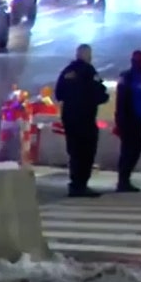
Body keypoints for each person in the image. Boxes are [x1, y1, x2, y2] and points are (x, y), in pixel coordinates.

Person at [54, 44, 109, 197]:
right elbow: (100, 93)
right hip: (85, 118)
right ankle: (81, 184)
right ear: (87, 55)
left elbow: (59, 93)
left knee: (74, 151)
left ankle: (75, 184)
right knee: (86, 152)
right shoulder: (89, 71)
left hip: (69, 117)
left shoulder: (67, 71)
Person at [114, 50, 141, 192]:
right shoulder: (127, 77)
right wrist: (119, 121)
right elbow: (121, 101)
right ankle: (122, 181)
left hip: (139, 119)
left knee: (135, 151)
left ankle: (125, 179)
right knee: (128, 151)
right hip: (128, 119)